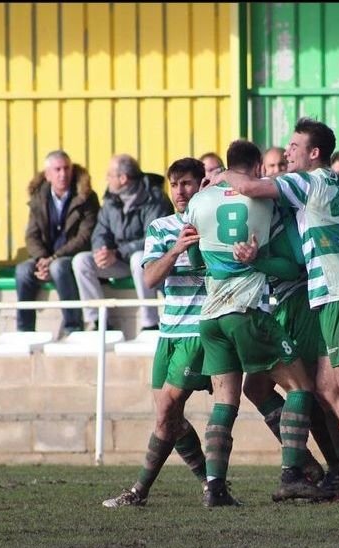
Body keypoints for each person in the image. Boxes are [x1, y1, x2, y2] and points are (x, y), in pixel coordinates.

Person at [212, 118, 339, 506]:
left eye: (293, 146)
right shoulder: (333, 182)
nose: (287, 153)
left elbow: (251, 186)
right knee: (325, 387)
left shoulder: (310, 181)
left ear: (314, 153)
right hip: (332, 295)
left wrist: (223, 173)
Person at [186, 139, 320, 506]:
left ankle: (214, 487)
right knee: (300, 387)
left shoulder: (199, 201)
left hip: (210, 316)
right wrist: (255, 259)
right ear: (258, 166)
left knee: (224, 402)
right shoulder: (266, 199)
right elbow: (292, 264)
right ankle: (292, 474)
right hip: (248, 310)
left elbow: (195, 259)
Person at [103, 158, 211, 507]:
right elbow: (149, 279)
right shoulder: (160, 227)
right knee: (168, 416)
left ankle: (139, 491)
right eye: (175, 184)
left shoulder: (213, 224)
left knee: (166, 409)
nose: (180, 191)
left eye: (188, 184)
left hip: (198, 330)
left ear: (201, 185)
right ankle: (211, 484)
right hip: (167, 333)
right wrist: (176, 249)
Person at [73, 155, 173, 332]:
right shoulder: (111, 199)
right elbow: (100, 230)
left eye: (110, 174)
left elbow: (153, 239)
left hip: (146, 261)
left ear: (123, 178)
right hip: (117, 261)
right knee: (81, 261)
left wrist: (118, 253)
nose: (106, 179)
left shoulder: (155, 198)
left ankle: (150, 323)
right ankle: (98, 322)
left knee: (139, 258)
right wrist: (101, 250)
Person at [16, 150, 100, 334]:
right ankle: (24, 330)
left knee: (59, 267)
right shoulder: (38, 198)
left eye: (67, 168)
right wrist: (41, 259)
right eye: (58, 169)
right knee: (22, 270)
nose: (63, 174)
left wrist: (54, 258)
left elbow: (85, 236)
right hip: (45, 257)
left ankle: (73, 326)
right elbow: (31, 235)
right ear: (48, 175)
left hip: (70, 256)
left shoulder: (85, 196)